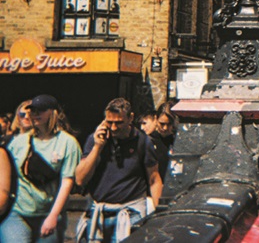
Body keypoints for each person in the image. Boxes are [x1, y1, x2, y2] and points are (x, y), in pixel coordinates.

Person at [75, 98, 162, 243]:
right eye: (110, 122)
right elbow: (80, 179)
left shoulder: (143, 142)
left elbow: (154, 180)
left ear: (130, 118)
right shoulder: (95, 139)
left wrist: (159, 216)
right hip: (100, 212)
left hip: (129, 213)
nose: (114, 128)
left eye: (119, 122)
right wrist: (97, 147)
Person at [0, 95, 81, 243]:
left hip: (47, 212)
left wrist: (53, 216)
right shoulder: (18, 142)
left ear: (54, 113)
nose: (35, 114)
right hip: (17, 212)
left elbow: (67, 183)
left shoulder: (67, 143)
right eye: (33, 110)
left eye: (41, 110)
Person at [138, 112, 170, 184]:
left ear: (155, 119)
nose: (142, 128)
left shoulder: (163, 140)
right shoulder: (146, 141)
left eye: (144, 123)